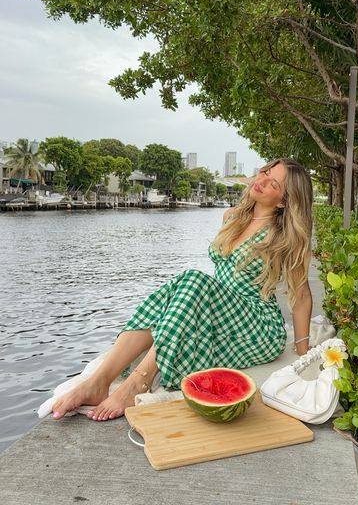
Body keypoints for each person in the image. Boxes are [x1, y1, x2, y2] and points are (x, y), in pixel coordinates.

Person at [51, 158, 314, 421]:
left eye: (274, 183)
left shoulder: (284, 236)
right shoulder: (231, 217)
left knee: (192, 280)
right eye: (266, 171)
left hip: (255, 324)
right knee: (178, 290)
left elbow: (301, 295)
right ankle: (99, 381)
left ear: (282, 201)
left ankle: (137, 383)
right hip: (219, 314)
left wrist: (303, 353)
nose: (262, 180)